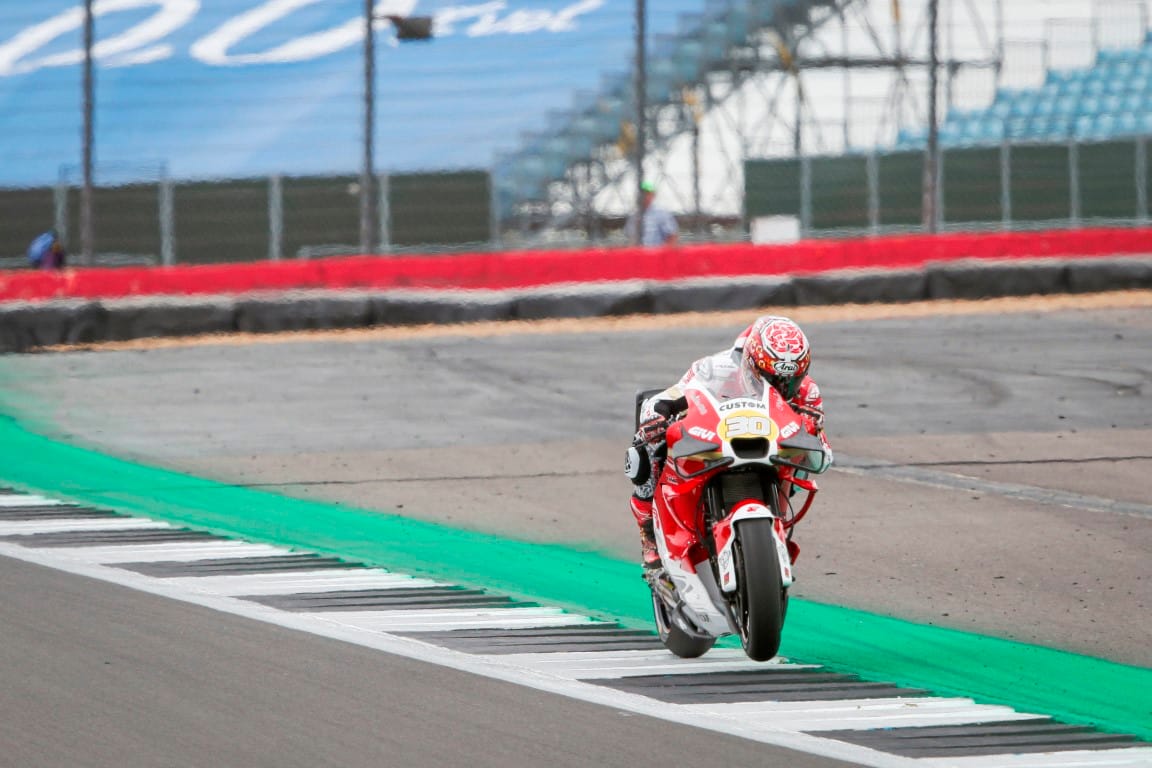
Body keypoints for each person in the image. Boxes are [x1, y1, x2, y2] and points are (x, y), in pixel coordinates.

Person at [626, 314, 831, 569]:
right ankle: (648, 530)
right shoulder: (715, 369)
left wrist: (812, 431)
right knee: (646, 444)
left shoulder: (808, 390)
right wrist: (657, 416)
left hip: (770, 450)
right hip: (720, 439)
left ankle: (775, 522)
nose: (783, 387)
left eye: (792, 380)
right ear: (752, 364)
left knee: (802, 456)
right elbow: (662, 400)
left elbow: (822, 456)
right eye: (773, 379)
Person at [625, 181, 678, 247]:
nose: (644, 196)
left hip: (658, 252)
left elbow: (672, 237)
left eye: (647, 194)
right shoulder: (633, 216)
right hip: (639, 252)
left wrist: (663, 252)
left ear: (653, 195)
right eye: (642, 193)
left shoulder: (662, 214)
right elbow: (631, 239)